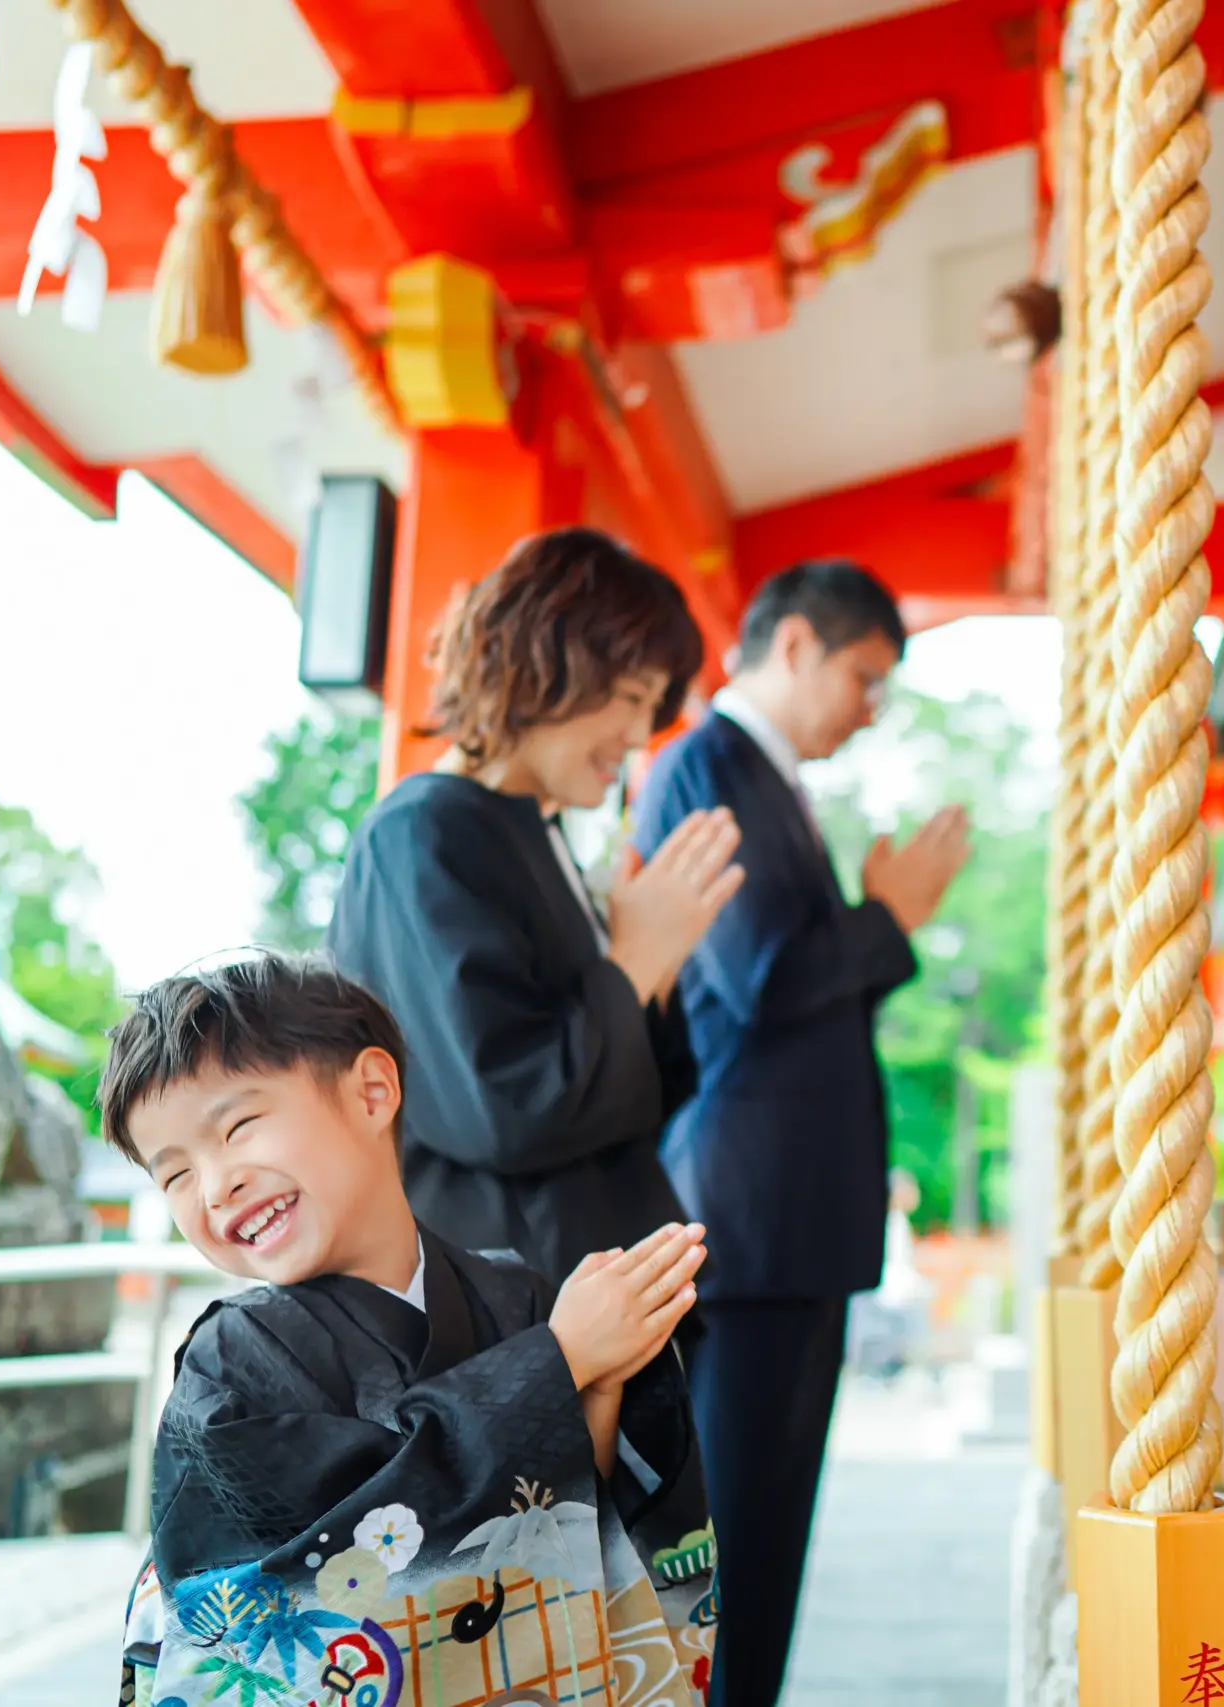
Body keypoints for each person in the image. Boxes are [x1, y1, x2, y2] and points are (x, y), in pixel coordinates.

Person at [99, 954, 719, 1706]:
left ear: (371, 1090)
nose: (216, 1183)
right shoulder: (231, 1363)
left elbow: (560, 1508)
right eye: (176, 1175)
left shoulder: (514, 1293)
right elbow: (346, 1543)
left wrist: (608, 1371)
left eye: (239, 1126)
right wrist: (556, 1363)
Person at [633, 560, 970, 1707]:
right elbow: (763, 985)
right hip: (752, 1211)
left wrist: (870, 928)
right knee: (740, 1538)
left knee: (767, 1536)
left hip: (782, 1212)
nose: (871, 708)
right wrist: (889, 920)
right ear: (792, 649)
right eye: (865, 678)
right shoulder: (708, 766)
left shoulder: (758, 777)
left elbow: (783, 996)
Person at [327, 527, 743, 1290]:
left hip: (596, 1295)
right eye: (628, 697)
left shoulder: (535, 830)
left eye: (652, 705)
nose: (640, 734)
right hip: (516, 1319)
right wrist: (633, 963)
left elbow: (637, 1085)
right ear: (542, 664)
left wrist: (654, 965)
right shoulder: (422, 832)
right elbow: (502, 1109)